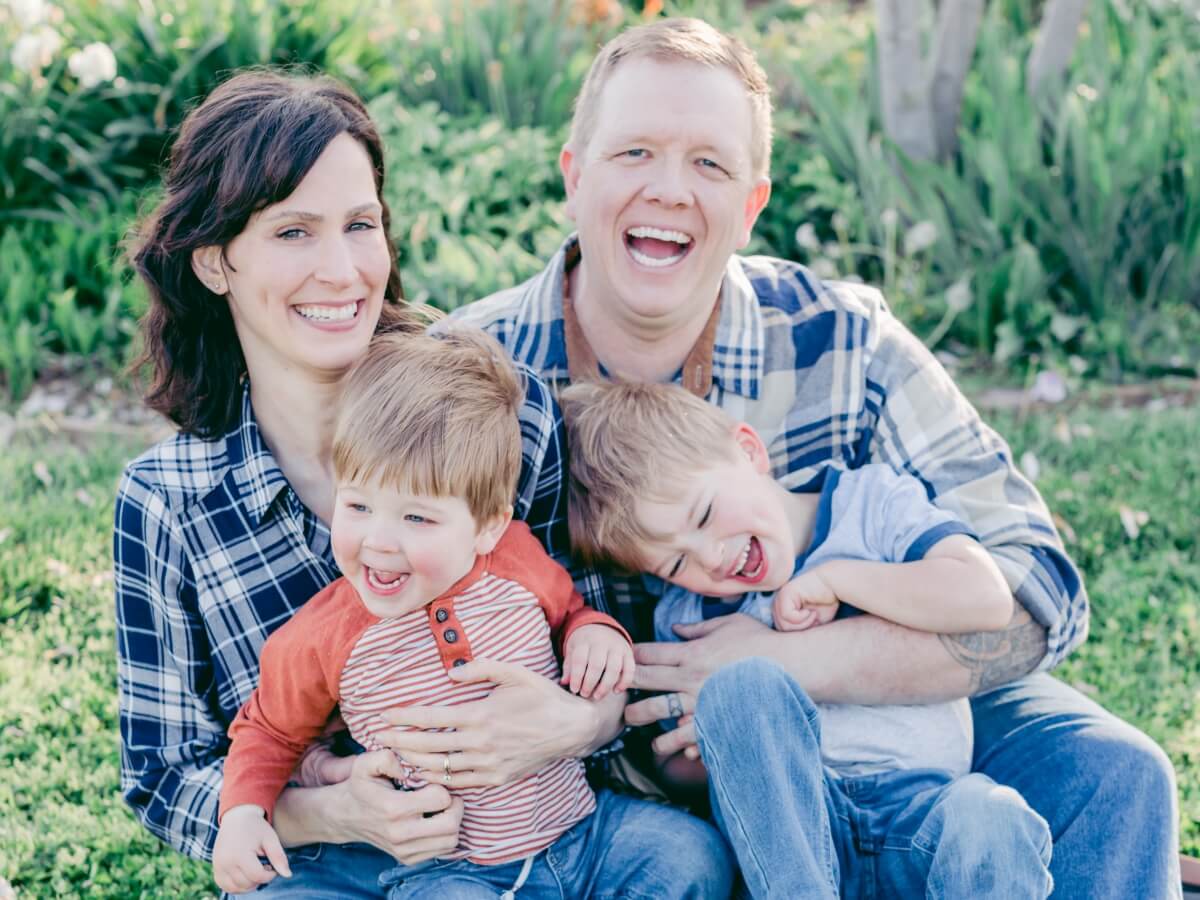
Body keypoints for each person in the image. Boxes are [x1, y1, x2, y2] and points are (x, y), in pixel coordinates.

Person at [450, 16, 1181, 898]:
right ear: (574, 176)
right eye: (634, 152)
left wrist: (796, 660)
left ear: (753, 204)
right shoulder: (473, 376)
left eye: (709, 163)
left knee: (1119, 773)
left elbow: (1039, 592)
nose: (671, 190)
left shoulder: (842, 340)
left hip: (897, 725)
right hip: (615, 764)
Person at [114, 69, 630, 894]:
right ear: (214, 263)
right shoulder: (168, 503)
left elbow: (596, 621)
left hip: (537, 831)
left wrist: (578, 722)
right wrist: (333, 812)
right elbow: (163, 775)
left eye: (361, 224)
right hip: (326, 867)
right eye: (293, 233)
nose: (342, 269)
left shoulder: (505, 413)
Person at [211, 331, 731, 897]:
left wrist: (595, 636)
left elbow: (572, 614)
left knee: (690, 855)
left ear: (487, 525)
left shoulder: (515, 561)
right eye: (358, 506)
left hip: (580, 831)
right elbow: (267, 731)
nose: (379, 542)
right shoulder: (324, 636)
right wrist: (242, 815)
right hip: (449, 867)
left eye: (417, 519)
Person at [561, 379, 1053, 897]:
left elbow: (987, 598)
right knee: (742, 689)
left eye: (704, 515)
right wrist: (711, 747)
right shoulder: (692, 620)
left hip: (924, 811)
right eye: (676, 563)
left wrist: (840, 578)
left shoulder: (871, 506)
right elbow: (679, 769)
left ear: (749, 452)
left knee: (991, 816)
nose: (709, 557)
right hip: (795, 843)